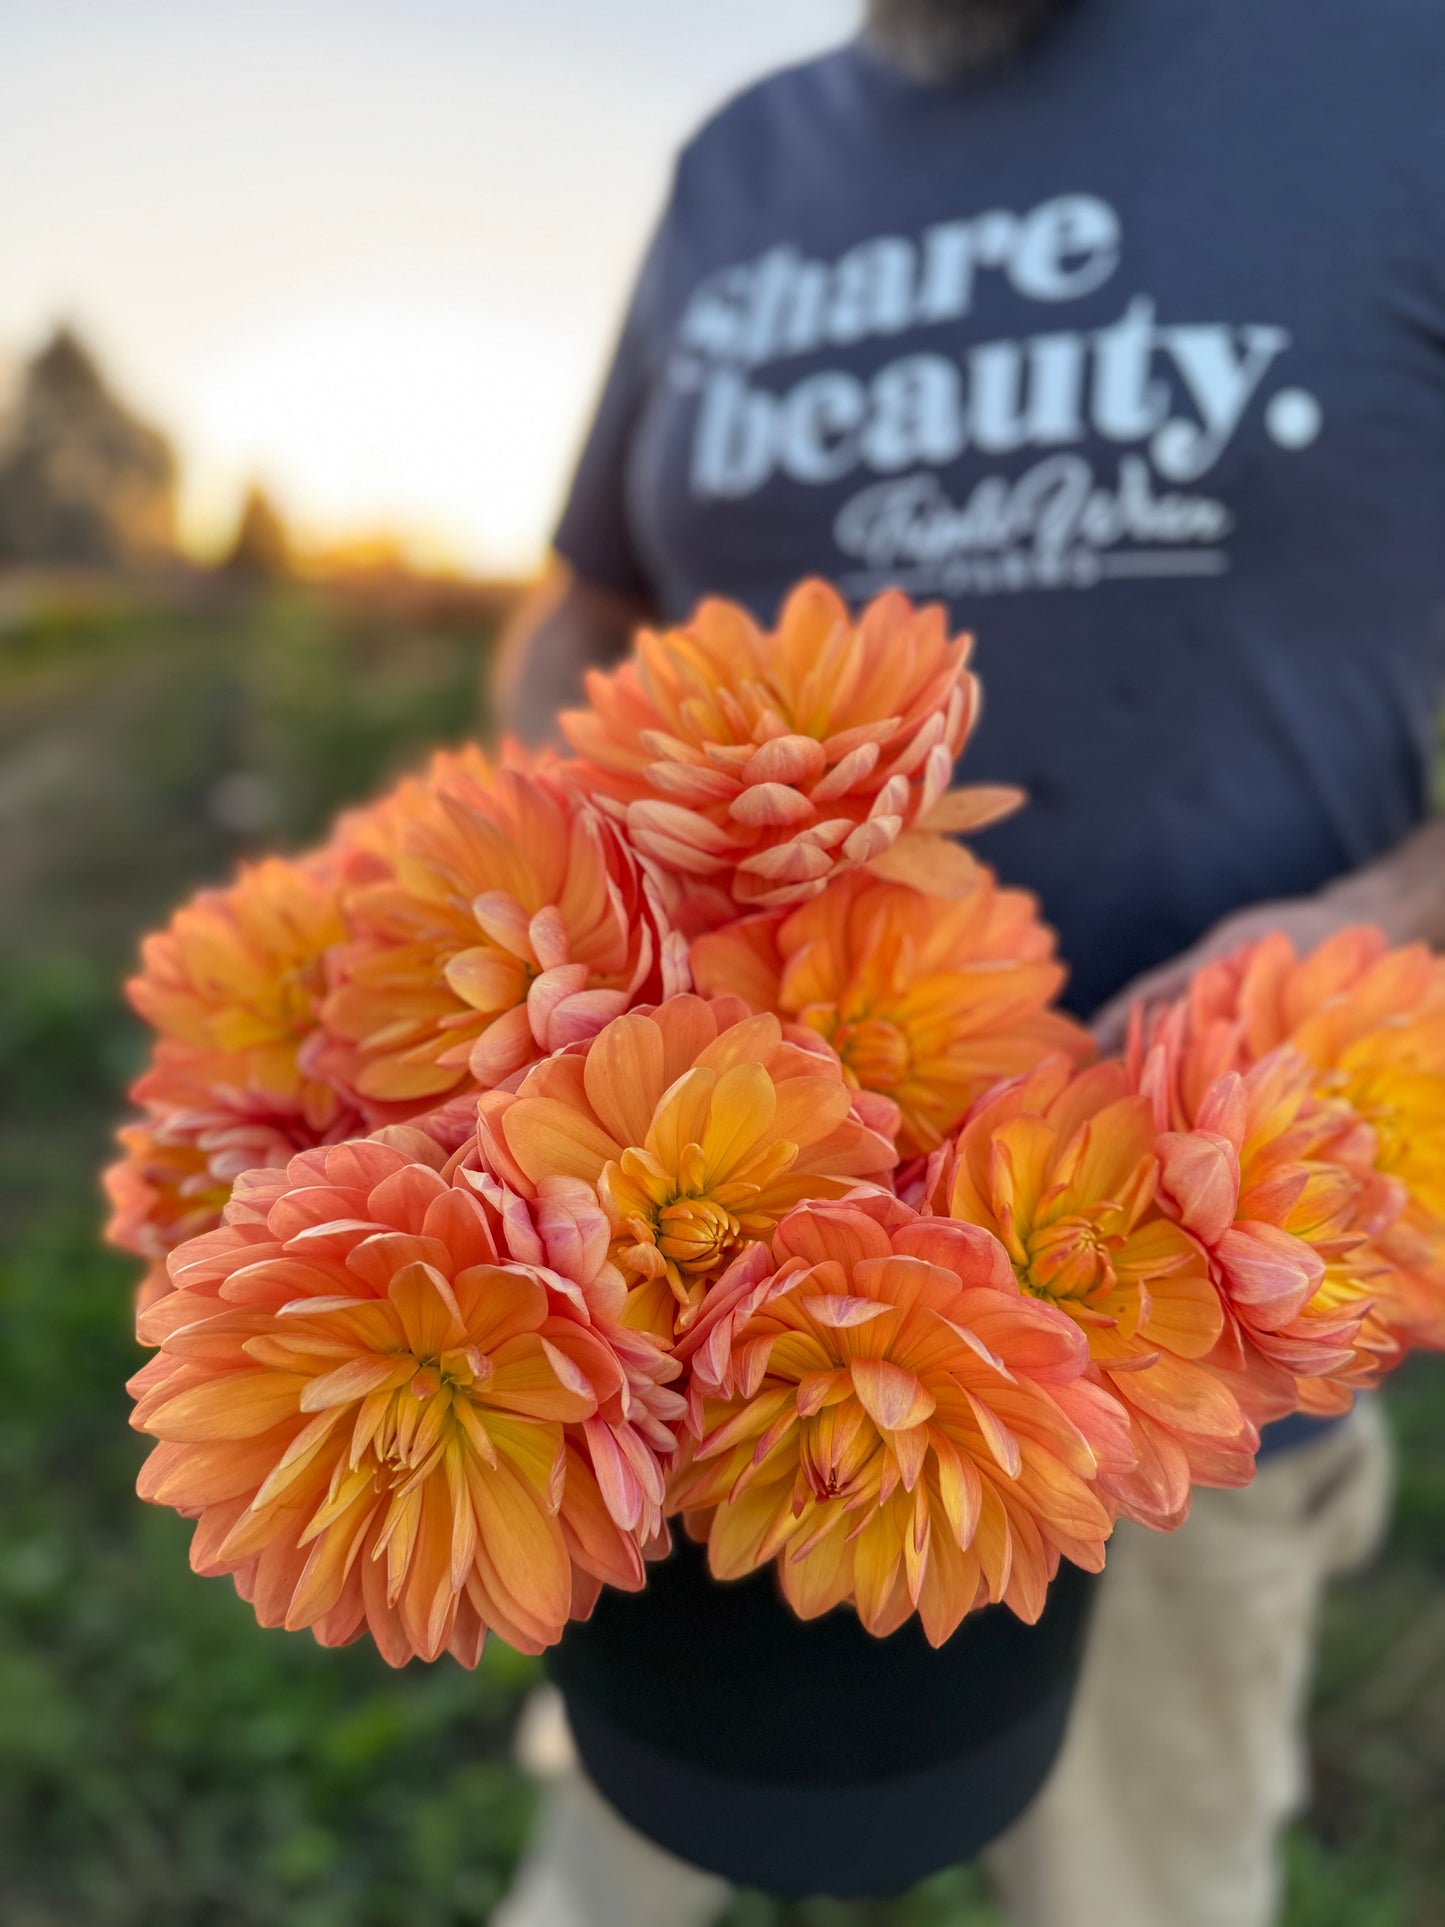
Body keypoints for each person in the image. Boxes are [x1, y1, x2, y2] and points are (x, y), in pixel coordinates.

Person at [492, 1, 1445, 1921]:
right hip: (658, 1324)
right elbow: (588, 593)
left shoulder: (1399, 71)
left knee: (1145, 1888)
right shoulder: (738, 165)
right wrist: (545, 872)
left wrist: (1390, 925)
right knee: (614, 1870)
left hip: (1196, 1349)